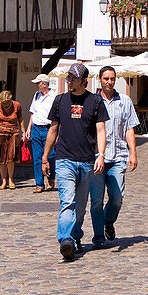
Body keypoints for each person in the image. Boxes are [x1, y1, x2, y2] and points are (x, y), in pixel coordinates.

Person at [43, 62, 108, 262]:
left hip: (87, 160)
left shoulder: (95, 101)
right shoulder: (60, 100)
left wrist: (101, 155)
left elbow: (100, 131)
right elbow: (53, 129)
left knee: (80, 206)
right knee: (67, 202)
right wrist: (45, 157)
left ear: (84, 81)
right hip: (64, 159)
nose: (70, 81)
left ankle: (75, 237)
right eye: (69, 78)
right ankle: (66, 240)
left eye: (74, 79)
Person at [89, 65, 139, 248]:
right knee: (96, 200)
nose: (109, 82)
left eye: (112, 79)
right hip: (96, 157)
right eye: (106, 79)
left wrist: (133, 152)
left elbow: (129, 128)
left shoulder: (124, 101)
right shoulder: (92, 101)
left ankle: (108, 221)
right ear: (100, 79)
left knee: (117, 197)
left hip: (118, 155)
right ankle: (98, 237)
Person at [0, 89, 25, 190]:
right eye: (3, 103)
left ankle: (11, 179)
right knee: (2, 158)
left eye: (7, 103)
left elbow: (20, 118)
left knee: (11, 156)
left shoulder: (17, 105)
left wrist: (24, 132)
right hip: (1, 132)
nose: (5, 105)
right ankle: (3, 181)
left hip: (13, 132)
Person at [27, 74, 56, 192]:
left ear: (44, 84)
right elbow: (33, 112)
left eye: (38, 83)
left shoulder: (54, 96)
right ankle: (39, 184)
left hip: (49, 129)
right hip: (36, 129)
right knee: (37, 157)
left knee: (51, 155)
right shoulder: (36, 95)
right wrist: (29, 128)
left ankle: (51, 177)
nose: (36, 85)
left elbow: (57, 116)